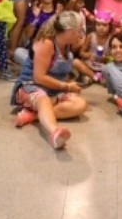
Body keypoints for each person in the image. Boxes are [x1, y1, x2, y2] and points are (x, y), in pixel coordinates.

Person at [12, 11, 88, 149]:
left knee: (80, 104)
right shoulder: (46, 44)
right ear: (70, 31)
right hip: (30, 86)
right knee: (43, 99)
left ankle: (34, 115)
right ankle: (54, 132)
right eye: (80, 30)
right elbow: (38, 77)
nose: (81, 33)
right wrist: (67, 86)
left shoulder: (67, 44)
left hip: (53, 90)